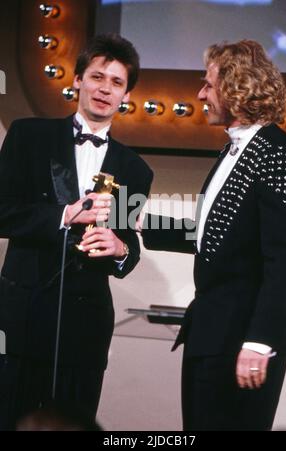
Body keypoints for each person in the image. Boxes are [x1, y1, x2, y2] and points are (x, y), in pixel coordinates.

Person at [139, 40, 286, 430]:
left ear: (235, 87)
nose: (200, 94)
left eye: (207, 84)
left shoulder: (276, 153)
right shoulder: (234, 152)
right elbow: (216, 233)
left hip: (241, 340)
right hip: (211, 334)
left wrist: (259, 342)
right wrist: (134, 218)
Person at [0, 33, 153, 430]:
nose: (105, 88)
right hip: (21, 318)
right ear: (77, 80)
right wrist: (64, 215)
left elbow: (129, 244)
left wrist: (120, 247)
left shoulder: (135, 168)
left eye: (117, 82)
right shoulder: (27, 136)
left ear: (126, 95)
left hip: (84, 329)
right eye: (97, 76)